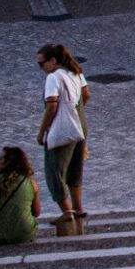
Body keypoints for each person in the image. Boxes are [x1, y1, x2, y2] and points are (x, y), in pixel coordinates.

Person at [36, 43, 91, 227]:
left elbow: (52, 106)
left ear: (53, 60)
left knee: (54, 171)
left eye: (41, 63)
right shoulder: (75, 72)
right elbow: (86, 94)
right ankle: (78, 207)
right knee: (75, 168)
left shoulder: (53, 77)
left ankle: (67, 212)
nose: (41, 68)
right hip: (80, 125)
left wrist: (42, 131)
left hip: (63, 128)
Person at [0, 147, 41, 245]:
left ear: (7, 163)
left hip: (0, 235)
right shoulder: (31, 183)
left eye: (0, 159)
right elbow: (36, 213)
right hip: (25, 234)